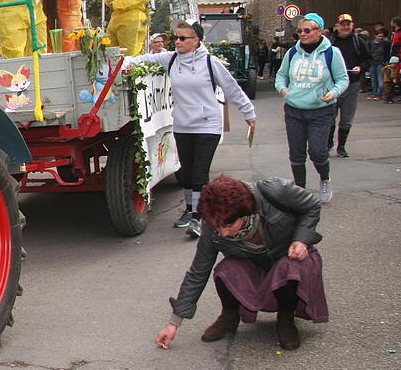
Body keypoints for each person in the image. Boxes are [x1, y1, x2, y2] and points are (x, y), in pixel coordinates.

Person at [154, 175, 329, 352]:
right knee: (227, 268)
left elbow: (312, 206)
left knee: (289, 267)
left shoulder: (274, 191)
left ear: (245, 213)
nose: (223, 233)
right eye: (217, 227)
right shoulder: (213, 226)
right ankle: (229, 316)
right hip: (258, 265)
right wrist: (173, 324)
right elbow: (198, 272)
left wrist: (301, 240)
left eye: (229, 224)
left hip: (290, 257)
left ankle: (286, 318)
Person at [126, 21, 257, 237]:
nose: (177, 41)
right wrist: (119, 61)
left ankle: (199, 218)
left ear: (196, 41)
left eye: (183, 38)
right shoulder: (172, 59)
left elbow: (231, 88)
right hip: (183, 125)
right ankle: (189, 211)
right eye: (176, 37)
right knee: (186, 172)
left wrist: (249, 113)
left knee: (199, 172)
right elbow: (144, 59)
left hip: (208, 124)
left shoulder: (210, 62)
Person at [274, 14, 348, 203]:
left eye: (307, 30)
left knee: (317, 151)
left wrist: (333, 93)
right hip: (294, 110)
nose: (303, 34)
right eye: (300, 31)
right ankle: (300, 190)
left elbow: (342, 79)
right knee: (296, 152)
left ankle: (324, 180)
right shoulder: (292, 53)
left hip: (321, 110)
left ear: (320, 31)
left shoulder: (332, 53)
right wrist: (283, 90)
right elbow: (281, 75)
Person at [327, 14, 370, 157]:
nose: (345, 27)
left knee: (347, 118)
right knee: (330, 116)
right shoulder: (329, 42)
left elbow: (367, 59)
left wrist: (360, 67)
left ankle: (342, 146)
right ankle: (328, 144)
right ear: (337, 26)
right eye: (343, 24)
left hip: (352, 84)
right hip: (333, 85)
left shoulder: (359, 41)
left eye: (348, 24)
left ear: (352, 25)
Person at [368, 28, 391, 99]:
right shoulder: (371, 43)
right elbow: (369, 53)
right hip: (373, 62)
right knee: (373, 79)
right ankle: (374, 93)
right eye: (379, 36)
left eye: (382, 36)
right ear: (375, 36)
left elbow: (387, 54)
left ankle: (379, 94)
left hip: (381, 63)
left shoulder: (386, 44)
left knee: (380, 79)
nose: (380, 38)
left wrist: (385, 61)